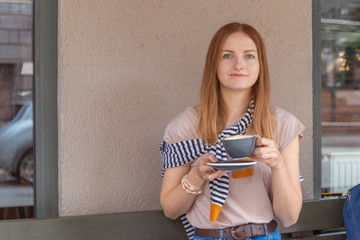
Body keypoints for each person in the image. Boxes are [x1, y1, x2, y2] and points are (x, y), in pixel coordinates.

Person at [159, 22, 305, 240]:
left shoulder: (283, 124)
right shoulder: (185, 126)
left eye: (249, 56)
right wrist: (197, 175)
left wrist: (277, 165)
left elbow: (289, 217)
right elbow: (171, 210)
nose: (239, 64)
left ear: (260, 65)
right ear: (213, 64)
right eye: (227, 55)